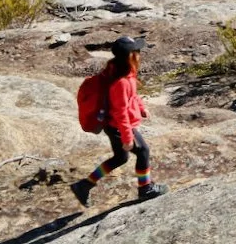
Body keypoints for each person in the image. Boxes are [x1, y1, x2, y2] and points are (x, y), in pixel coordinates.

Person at [71, 36, 167, 205]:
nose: (139, 53)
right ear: (130, 56)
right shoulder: (120, 81)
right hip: (118, 125)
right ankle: (145, 188)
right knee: (143, 151)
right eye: (136, 51)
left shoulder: (125, 71)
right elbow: (120, 111)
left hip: (114, 124)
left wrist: (141, 107)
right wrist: (127, 137)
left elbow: (132, 96)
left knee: (120, 158)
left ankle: (84, 185)